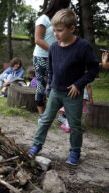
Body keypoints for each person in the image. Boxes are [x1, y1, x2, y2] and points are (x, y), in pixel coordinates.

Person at [28, 9, 100, 165]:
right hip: (55, 91)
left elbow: (94, 69)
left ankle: (75, 151)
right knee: (45, 119)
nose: (55, 34)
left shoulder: (83, 46)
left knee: (74, 124)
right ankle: (36, 146)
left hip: (73, 93)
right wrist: (49, 88)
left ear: (72, 28)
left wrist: (79, 84)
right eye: (53, 30)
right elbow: (51, 69)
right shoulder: (53, 47)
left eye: (59, 30)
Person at [33, 0, 71, 114]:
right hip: (41, 57)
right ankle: (41, 114)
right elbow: (38, 40)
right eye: (65, 5)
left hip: (56, 57)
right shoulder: (43, 19)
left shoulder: (60, 21)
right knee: (41, 85)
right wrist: (55, 51)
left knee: (55, 85)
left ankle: (54, 113)